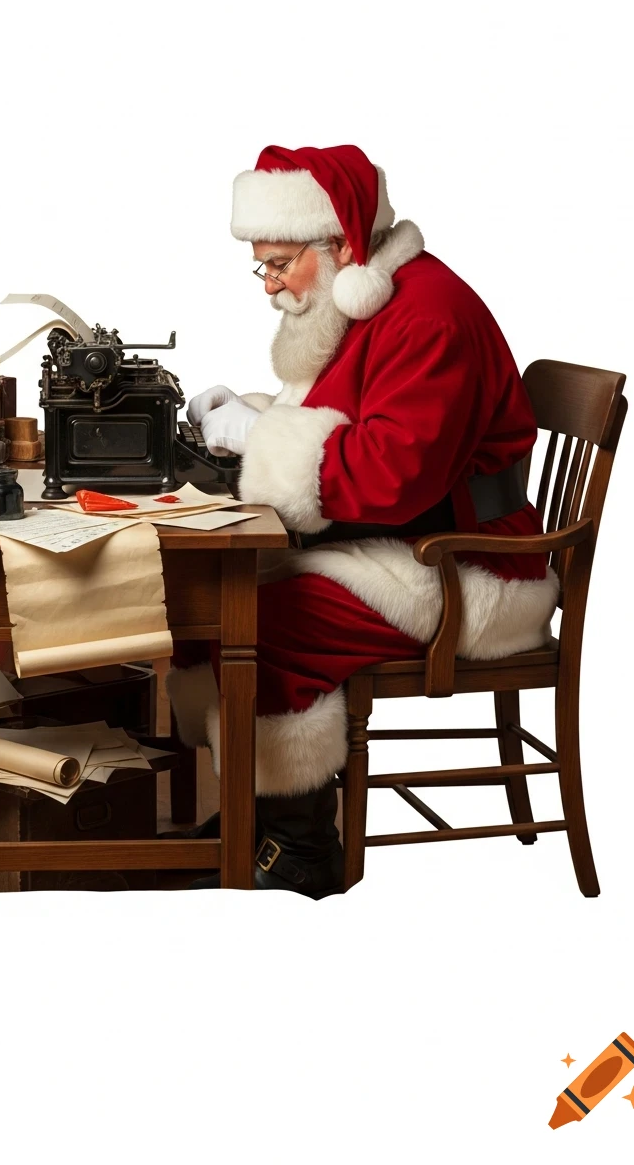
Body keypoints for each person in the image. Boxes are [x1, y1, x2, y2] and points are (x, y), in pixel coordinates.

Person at [167, 144, 558, 899]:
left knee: (263, 620)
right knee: (212, 598)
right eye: (262, 265)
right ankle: (252, 810)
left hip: (468, 565)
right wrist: (252, 415)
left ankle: (299, 851)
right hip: (408, 539)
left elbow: (389, 475)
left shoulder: (430, 316)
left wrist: (262, 436)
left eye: (280, 264)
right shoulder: (369, 298)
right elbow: (342, 417)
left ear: (342, 243)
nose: (269, 283)